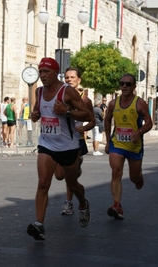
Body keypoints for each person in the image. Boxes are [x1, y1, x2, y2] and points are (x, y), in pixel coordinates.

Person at [27, 58, 91, 240]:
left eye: (46, 72)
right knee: (43, 183)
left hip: (68, 146)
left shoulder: (67, 91)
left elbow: (86, 114)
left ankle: (83, 204)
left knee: (72, 184)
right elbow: (36, 114)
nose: (42, 75)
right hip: (47, 143)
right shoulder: (39, 92)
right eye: (40, 72)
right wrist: (34, 115)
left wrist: (67, 112)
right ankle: (39, 225)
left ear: (56, 73)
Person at [104, 74, 153, 219]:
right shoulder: (113, 104)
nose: (124, 86)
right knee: (116, 172)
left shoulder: (140, 103)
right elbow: (107, 120)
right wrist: (107, 141)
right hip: (117, 143)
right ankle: (117, 205)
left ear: (133, 87)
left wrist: (139, 132)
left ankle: (139, 177)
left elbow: (149, 123)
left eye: (127, 84)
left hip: (134, 145)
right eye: (122, 83)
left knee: (134, 178)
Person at [55, 67, 95, 216]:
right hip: (60, 139)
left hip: (76, 141)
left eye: (72, 77)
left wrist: (83, 128)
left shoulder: (85, 100)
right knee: (59, 175)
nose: (69, 80)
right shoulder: (59, 97)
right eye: (67, 77)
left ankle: (69, 202)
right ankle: (76, 170)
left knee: (69, 175)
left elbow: (92, 121)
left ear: (79, 80)